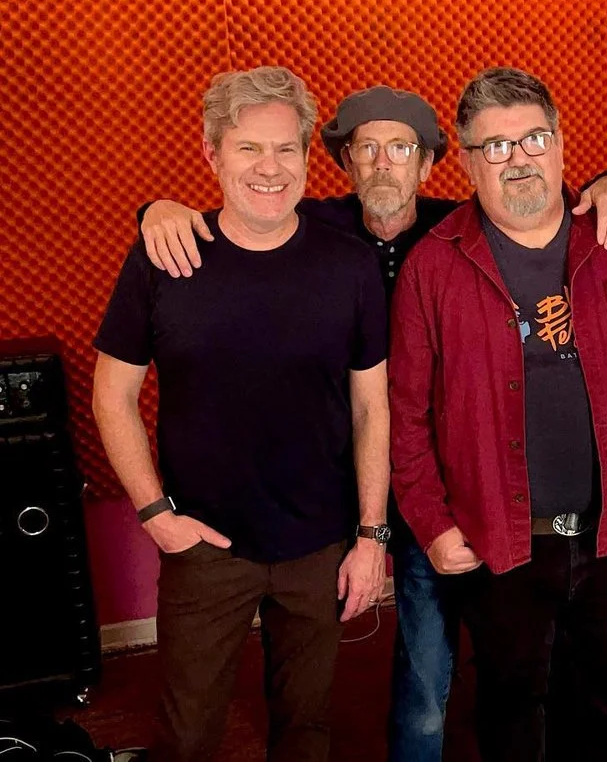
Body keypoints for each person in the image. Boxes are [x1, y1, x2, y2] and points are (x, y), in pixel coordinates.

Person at [133, 86, 607, 762]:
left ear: (431, 164)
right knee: (418, 678)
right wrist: (155, 209)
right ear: (343, 163)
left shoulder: (460, 226)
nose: (383, 164)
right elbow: (233, 218)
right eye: (366, 149)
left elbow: (535, 192)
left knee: (514, 666)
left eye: (400, 148)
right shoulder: (312, 226)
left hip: (470, 485)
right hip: (366, 495)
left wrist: (606, 184)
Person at [389, 66, 607, 762]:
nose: (517, 158)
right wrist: (434, 526)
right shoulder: (432, 268)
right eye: (494, 147)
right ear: (468, 162)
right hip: (500, 544)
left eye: (532, 138)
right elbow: (406, 417)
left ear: (560, 145)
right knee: (510, 711)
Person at [91, 66, 390, 762]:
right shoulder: (163, 257)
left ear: (308, 155)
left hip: (319, 545)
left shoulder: (349, 266)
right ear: (211, 152)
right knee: (189, 732)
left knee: (307, 726)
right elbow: (112, 396)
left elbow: (372, 404)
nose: (270, 167)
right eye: (248, 148)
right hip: (204, 547)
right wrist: (155, 514)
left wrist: (371, 534)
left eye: (286, 149)